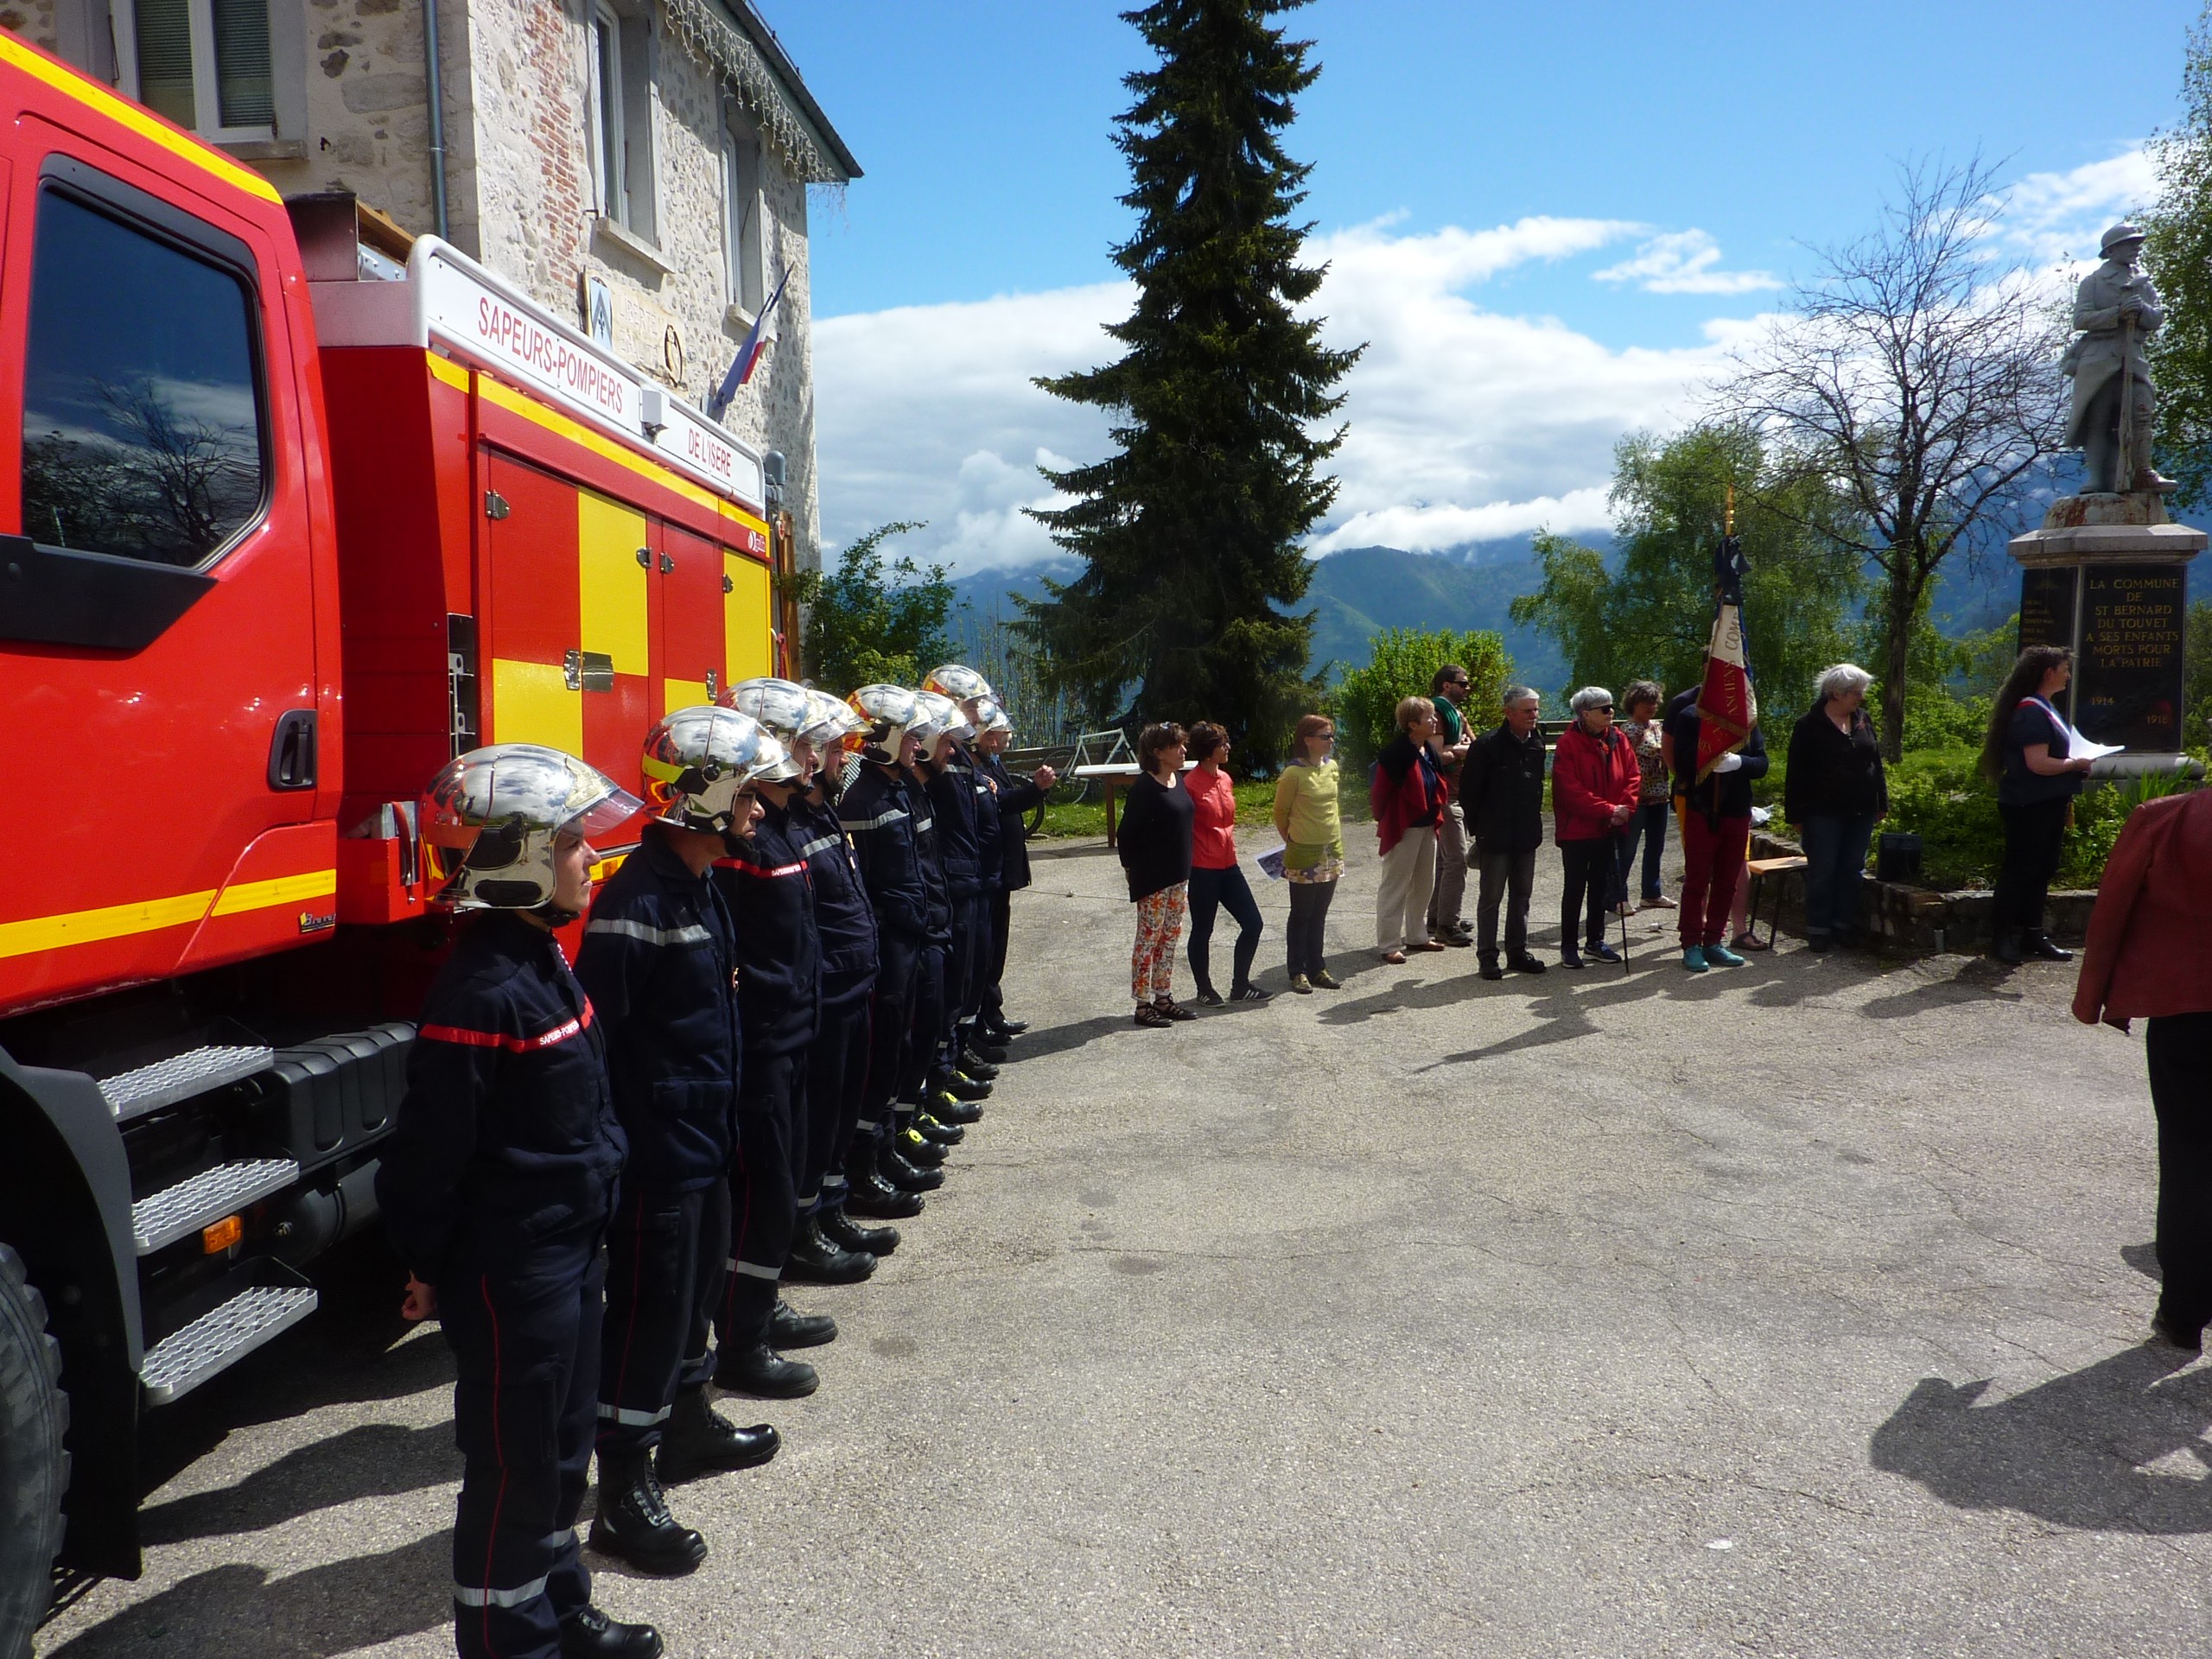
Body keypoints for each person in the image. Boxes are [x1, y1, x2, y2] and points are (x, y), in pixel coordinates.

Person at [376, 743, 663, 1659]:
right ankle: (511, 1643)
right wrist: (429, 1266)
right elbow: (427, 1158)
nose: (592, 857)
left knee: (561, 1447)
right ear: (523, 859)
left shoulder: (539, 957)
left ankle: (560, 1607)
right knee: (513, 1464)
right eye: (576, 842)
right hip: (516, 1267)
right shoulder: (483, 988)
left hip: (568, 1250)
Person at [574, 708, 782, 1578]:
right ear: (705, 802)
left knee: (694, 1290)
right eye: (746, 797)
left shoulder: (698, 883)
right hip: (659, 1148)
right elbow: (602, 1038)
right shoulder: (637, 899)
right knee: (647, 1314)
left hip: (703, 1133)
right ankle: (623, 1489)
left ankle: (688, 1426)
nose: (760, 812)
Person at [726, 680, 881, 1287]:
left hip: (817, 1003)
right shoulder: (750, 839)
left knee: (822, 1129)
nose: (817, 760)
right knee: (780, 1159)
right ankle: (794, 1246)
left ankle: (819, 1216)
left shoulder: (796, 817)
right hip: (780, 1025)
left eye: (819, 747)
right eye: (805, 746)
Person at [710, 725, 830, 1400]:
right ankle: (742, 1339)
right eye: (802, 748)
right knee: (762, 1195)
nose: (813, 759)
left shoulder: (777, 827)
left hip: (790, 1034)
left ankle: (759, 1308)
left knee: (776, 1194)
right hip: (762, 1044)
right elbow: (736, 956)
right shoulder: (739, 846)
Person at [2073, 785, 2212, 1351]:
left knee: (2190, 1162)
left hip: (2188, 1011)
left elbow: (2112, 909)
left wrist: (2095, 997)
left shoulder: (2167, 818)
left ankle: (2182, 1315)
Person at [836, 685, 938, 1220]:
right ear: (883, 739)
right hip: (890, 946)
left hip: (911, 938)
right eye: (910, 734)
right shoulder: (863, 802)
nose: (918, 742)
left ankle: (886, 1151)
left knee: (898, 1050)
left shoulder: (896, 791)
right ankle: (864, 1171)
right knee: (880, 1059)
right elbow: (868, 887)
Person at [1981, 645, 2095, 965]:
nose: (2068, 675)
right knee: (2020, 870)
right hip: (2027, 804)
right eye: (2064, 669)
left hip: (2049, 802)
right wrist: (2074, 765)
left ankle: (2033, 932)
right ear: (2049, 673)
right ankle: (2001, 936)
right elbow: (2037, 763)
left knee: (2043, 869)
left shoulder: (2046, 707)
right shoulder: (2030, 711)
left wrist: (2078, 766)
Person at [1783, 664, 1888, 953]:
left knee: (1852, 869)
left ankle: (1844, 926)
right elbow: (1796, 773)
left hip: (1862, 809)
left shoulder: (1863, 720)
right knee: (1823, 870)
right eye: (1856, 693)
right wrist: (1794, 814)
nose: (1861, 698)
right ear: (1836, 693)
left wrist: (1882, 802)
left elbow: (1875, 762)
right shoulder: (1808, 725)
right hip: (1822, 811)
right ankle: (1819, 929)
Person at [1662, 683, 1767, 972]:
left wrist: (1737, 762)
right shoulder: (1690, 716)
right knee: (1697, 880)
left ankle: (1714, 941)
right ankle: (1691, 943)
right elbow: (1681, 763)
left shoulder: (1747, 721)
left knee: (1728, 881)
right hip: (1702, 808)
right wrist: (1709, 755)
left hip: (1737, 810)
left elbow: (1761, 764)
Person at [973, 696, 1055, 1042]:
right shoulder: (977, 766)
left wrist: (1034, 790)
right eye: (1005, 731)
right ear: (989, 736)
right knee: (986, 947)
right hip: (987, 870)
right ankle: (982, 1018)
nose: (1009, 737)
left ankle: (993, 1012)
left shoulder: (992, 763)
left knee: (997, 945)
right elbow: (1001, 803)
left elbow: (1005, 801)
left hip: (1001, 870)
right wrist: (1035, 789)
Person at [1462, 687, 1549, 982]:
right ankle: (1487, 956)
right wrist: (1480, 832)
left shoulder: (1536, 742)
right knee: (1491, 898)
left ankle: (1517, 952)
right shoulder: (1486, 746)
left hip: (1526, 835)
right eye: (1527, 711)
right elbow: (1470, 794)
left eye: (1535, 710)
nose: (1533, 716)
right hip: (1495, 836)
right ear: (1508, 713)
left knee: (1522, 896)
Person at [1552, 687, 1639, 967]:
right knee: (1575, 887)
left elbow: (1633, 776)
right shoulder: (1568, 743)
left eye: (1612, 707)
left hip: (1609, 827)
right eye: (1604, 708)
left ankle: (1595, 941)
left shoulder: (1619, 739)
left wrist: (1624, 810)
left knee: (1601, 887)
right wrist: (1608, 810)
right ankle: (1568, 946)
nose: (1611, 712)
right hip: (1577, 830)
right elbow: (1569, 790)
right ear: (1585, 713)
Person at [1183, 721, 1268, 1005]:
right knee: (1203, 930)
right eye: (1223, 744)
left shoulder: (1225, 778)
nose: (1228, 747)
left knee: (1253, 923)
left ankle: (1240, 986)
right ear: (1208, 751)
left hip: (1229, 866)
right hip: (1203, 869)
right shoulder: (1190, 785)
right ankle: (1204, 989)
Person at [1118, 721, 1197, 1026]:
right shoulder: (1145, 787)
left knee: (1170, 938)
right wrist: (1131, 871)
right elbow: (1127, 835)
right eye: (1176, 746)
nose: (1183, 750)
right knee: (1148, 940)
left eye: (1182, 744)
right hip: (1152, 877)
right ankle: (1142, 1005)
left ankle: (1163, 997)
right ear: (1157, 752)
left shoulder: (1178, 779)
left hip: (1179, 875)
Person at [1372, 696, 1449, 964]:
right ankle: (1389, 943)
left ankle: (1416, 935)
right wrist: (1387, 821)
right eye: (1429, 717)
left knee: (1424, 883)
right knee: (1396, 885)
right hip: (1404, 827)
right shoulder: (1396, 754)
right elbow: (1379, 795)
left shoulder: (1427, 749)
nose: (1435, 720)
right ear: (1413, 724)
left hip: (1427, 825)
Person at [1273, 713, 1344, 993]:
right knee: (1301, 913)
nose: (1331, 741)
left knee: (1320, 913)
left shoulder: (1332, 767)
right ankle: (1297, 971)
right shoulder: (1293, 773)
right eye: (1325, 736)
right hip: (1304, 851)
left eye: (1332, 735)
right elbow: (1280, 813)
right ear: (1308, 740)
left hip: (1332, 849)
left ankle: (1318, 967)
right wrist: (1292, 839)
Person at [1425, 664, 1476, 947]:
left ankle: (1438, 918)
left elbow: (1475, 743)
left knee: (1445, 861)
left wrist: (1462, 747)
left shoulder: (1455, 713)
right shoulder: (1438, 713)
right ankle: (1447, 924)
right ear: (1446, 685)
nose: (1468, 688)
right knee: (1458, 859)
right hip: (1444, 795)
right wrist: (1461, 749)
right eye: (1463, 684)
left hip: (1457, 792)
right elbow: (1437, 756)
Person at [1614, 682, 1673, 914]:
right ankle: (1618, 897)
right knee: (1627, 850)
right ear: (1633, 703)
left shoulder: (1658, 726)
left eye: (1655, 701)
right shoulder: (1628, 731)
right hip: (1636, 799)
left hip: (1660, 796)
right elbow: (1660, 751)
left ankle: (1651, 893)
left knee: (1655, 848)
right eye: (1646, 701)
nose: (1652, 706)